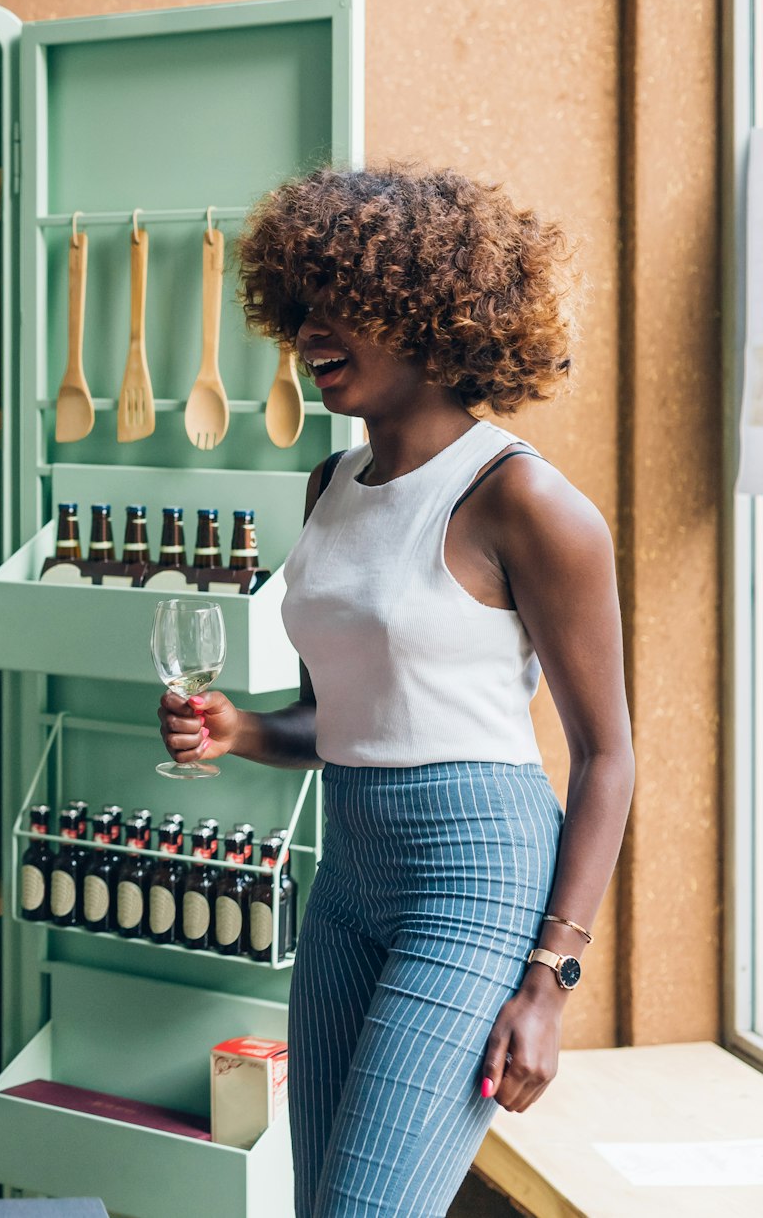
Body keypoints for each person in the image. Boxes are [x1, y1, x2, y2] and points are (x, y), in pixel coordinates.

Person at [158, 167, 635, 1217]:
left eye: (347, 306)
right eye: (300, 305)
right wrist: (239, 728)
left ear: (437, 317)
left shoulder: (521, 498)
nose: (311, 332)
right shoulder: (327, 485)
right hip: (348, 876)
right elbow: (339, 719)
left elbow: (606, 755)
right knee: (320, 1205)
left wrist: (547, 980)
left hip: (475, 876)